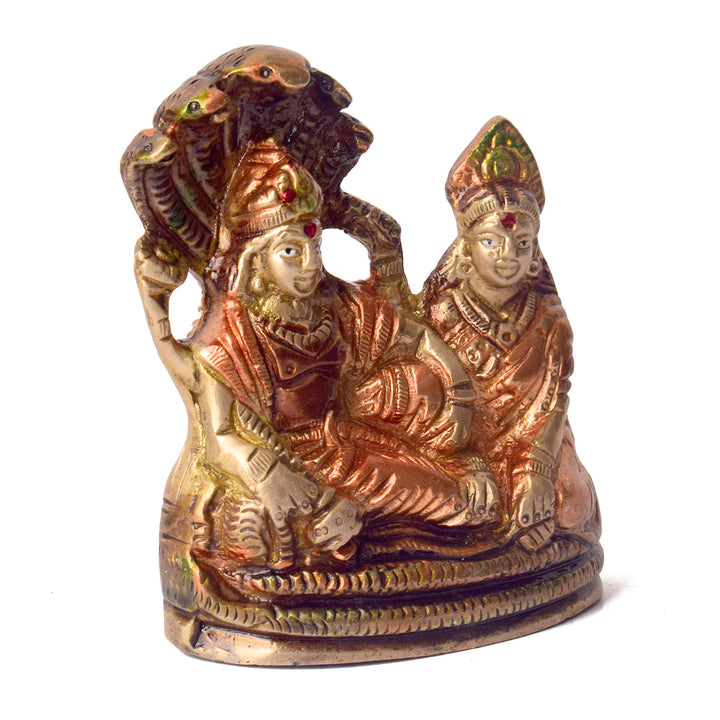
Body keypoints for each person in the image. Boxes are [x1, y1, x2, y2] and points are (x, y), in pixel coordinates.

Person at [137, 139, 501, 572]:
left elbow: (416, 336)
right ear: (255, 260)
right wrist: (269, 475)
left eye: (316, 248)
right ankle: (352, 543)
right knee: (270, 530)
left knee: (466, 502)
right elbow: (221, 436)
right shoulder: (232, 333)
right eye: (291, 251)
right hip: (294, 464)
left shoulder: (336, 305)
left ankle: (379, 537)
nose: (310, 264)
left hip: (350, 444)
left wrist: (459, 392)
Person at [422, 118, 601, 550]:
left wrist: (535, 470)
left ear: (535, 250)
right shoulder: (441, 314)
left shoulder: (549, 321)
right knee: (450, 501)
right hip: (459, 446)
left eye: (522, 243)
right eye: (492, 241)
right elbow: (427, 403)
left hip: (533, 444)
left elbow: (554, 401)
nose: (509, 255)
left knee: (570, 506)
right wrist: (465, 459)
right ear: (466, 247)